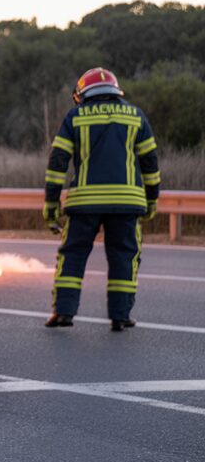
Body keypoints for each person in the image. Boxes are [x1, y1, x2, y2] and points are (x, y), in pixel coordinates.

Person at [43, 67, 159, 331]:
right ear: (115, 91)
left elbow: (57, 162)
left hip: (84, 202)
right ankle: (120, 317)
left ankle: (63, 312)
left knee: (72, 255)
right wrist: (152, 199)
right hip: (127, 202)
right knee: (124, 257)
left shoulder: (75, 116)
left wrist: (51, 204)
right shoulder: (136, 116)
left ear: (83, 93)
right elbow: (150, 162)